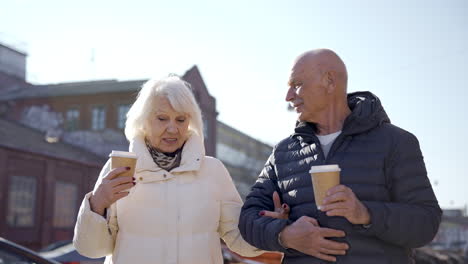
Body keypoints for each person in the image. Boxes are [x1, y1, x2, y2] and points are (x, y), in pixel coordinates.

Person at [239, 49, 442, 263]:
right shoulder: (283, 152)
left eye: (297, 84)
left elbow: (426, 222)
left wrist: (365, 213)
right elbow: (247, 220)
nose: (288, 97)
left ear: (329, 81)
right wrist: (285, 235)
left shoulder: (396, 142)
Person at [73, 76, 264, 264]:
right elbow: (92, 249)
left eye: (180, 120)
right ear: (143, 121)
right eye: (162, 118)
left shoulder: (213, 171)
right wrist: (97, 204)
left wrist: (269, 226)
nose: (173, 129)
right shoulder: (120, 169)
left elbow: (240, 240)